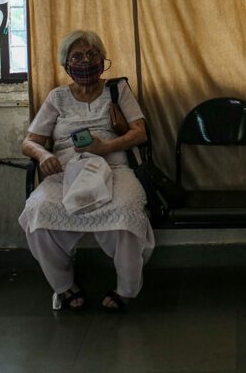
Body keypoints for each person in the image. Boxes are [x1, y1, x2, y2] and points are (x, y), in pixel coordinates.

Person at [19, 29, 153, 312]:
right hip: (66, 171)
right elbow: (30, 141)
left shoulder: (117, 90)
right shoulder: (57, 97)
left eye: (92, 55)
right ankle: (64, 285)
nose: (85, 61)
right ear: (66, 64)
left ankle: (127, 289)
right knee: (37, 211)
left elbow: (140, 133)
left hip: (115, 166)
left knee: (127, 211)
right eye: (77, 56)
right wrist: (43, 155)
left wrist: (106, 147)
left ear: (103, 59)